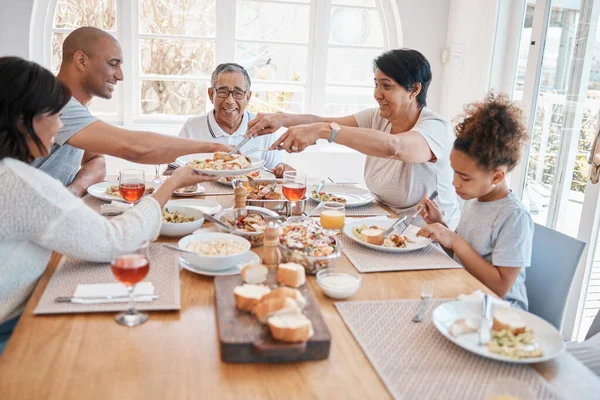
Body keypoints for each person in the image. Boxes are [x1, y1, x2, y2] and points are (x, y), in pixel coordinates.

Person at [0, 57, 218, 355]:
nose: (61, 125)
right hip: (10, 326)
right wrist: (172, 183)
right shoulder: (18, 183)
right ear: (22, 120)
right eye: (54, 113)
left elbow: (95, 160)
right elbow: (115, 241)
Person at [245, 49, 459, 226]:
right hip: (383, 222)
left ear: (414, 90)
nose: (377, 94)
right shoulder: (379, 117)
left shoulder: (435, 127)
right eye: (376, 84)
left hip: (429, 237)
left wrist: (324, 131)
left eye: (386, 86)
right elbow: (324, 119)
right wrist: (282, 119)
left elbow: (394, 147)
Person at [32, 27, 232, 197]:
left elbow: (96, 161)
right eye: (113, 64)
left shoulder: (73, 105)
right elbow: (133, 147)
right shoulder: (57, 103)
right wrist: (210, 147)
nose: (120, 75)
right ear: (81, 61)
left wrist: (73, 191)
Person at [416, 93, 533, 310]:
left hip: (499, 312)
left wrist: (455, 240)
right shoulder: (475, 199)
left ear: (497, 176)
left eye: (465, 177)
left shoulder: (514, 217)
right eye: (454, 173)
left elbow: (500, 287)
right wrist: (440, 226)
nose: (455, 183)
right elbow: (462, 257)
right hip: (467, 294)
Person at [178, 63, 294, 178]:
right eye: (223, 92)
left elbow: (273, 173)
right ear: (211, 94)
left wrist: (281, 170)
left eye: (238, 93)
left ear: (248, 97)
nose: (230, 101)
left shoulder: (262, 127)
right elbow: (173, 171)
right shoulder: (192, 127)